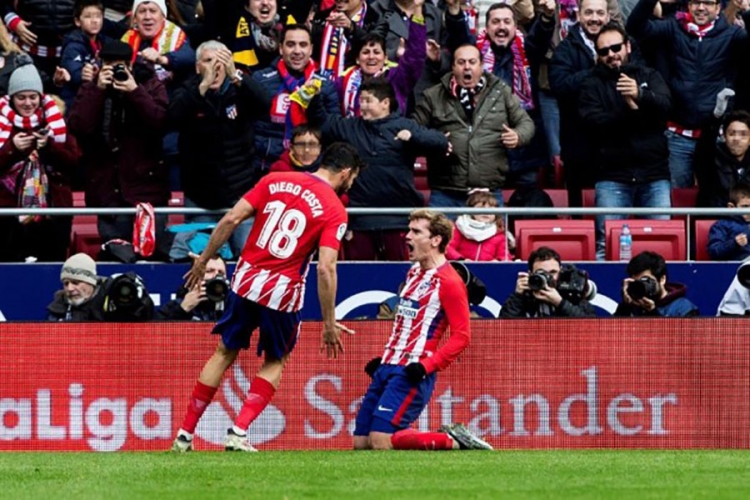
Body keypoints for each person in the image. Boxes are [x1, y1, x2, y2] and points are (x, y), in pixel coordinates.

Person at [171, 142, 365, 453]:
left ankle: (184, 434)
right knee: (276, 359)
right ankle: (238, 432)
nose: (351, 184)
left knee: (224, 351)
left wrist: (204, 258)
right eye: (352, 178)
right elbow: (326, 268)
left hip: (246, 279)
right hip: (283, 291)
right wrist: (330, 321)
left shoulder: (275, 180)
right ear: (345, 173)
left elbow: (231, 219)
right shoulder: (335, 209)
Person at [353, 208, 493, 451]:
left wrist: (426, 366)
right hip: (390, 365)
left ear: (436, 240)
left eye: (416, 232)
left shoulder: (450, 282)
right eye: (409, 230)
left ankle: (453, 441)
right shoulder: (414, 272)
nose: (407, 236)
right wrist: (386, 359)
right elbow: (407, 323)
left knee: (380, 441)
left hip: (413, 371)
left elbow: (462, 336)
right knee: (361, 442)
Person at [309, 76, 449, 261]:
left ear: (385, 103)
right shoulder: (351, 127)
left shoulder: (405, 126)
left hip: (399, 220)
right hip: (360, 220)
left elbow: (440, 142)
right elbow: (322, 123)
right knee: (360, 280)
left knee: (401, 277)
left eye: (368, 101)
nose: (363, 106)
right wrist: (315, 97)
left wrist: (414, 138)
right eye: (361, 101)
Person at [626, 0, 750, 188]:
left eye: (708, 3)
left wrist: (747, 11)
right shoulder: (672, 28)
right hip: (678, 136)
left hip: (715, 137)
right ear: (688, 6)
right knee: (678, 199)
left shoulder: (731, 34)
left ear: (718, 8)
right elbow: (635, 27)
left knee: (714, 198)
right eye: (695, 2)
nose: (701, 8)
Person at [68, 39, 171, 260]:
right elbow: (78, 127)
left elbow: (160, 122)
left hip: (146, 193)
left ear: (130, 65)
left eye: (120, 65)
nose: (115, 71)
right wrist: (98, 89)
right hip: (108, 194)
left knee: (152, 257)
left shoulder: (151, 85)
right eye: (109, 65)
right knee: (116, 261)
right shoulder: (91, 88)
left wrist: (135, 91)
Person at [168, 39, 271, 257]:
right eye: (207, 61)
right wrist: (202, 88)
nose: (213, 67)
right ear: (197, 67)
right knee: (199, 258)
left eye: (220, 61)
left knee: (247, 256)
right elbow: (172, 118)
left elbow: (265, 104)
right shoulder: (188, 90)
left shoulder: (240, 89)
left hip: (240, 195)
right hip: (201, 199)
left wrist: (236, 76)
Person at [577, 22, 672, 259]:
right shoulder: (591, 84)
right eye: (604, 51)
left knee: (661, 245)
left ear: (628, 46)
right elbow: (594, 125)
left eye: (616, 47)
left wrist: (640, 95)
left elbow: (666, 108)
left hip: (654, 175)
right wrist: (629, 109)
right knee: (605, 246)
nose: (611, 54)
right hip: (612, 176)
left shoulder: (649, 75)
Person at [412, 43, 535, 209]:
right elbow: (415, 131)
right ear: (453, 67)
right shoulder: (433, 96)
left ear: (481, 66)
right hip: (445, 192)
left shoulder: (501, 92)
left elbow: (526, 123)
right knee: (440, 236)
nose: (467, 67)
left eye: (472, 62)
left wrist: (518, 135)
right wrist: (435, 140)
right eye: (461, 62)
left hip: (488, 194)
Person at [0, 60, 81, 262]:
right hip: (8, 217)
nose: (28, 103)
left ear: (41, 96)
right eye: (21, 98)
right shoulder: (3, 123)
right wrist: (11, 149)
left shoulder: (56, 122)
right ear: (12, 99)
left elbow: (75, 164)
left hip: (53, 214)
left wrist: (50, 147)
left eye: (33, 97)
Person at [251, 24, 339, 173]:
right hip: (266, 165)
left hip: (310, 167)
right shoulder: (261, 80)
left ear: (311, 49)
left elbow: (332, 130)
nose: (297, 51)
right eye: (291, 45)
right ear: (280, 48)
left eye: (303, 45)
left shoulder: (325, 85)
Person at [549, 0, 611, 208]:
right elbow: (559, 86)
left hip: (614, 147)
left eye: (600, 13)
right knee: (580, 211)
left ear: (608, 16)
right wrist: (595, 71)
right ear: (580, 15)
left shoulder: (621, 45)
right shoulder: (566, 49)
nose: (595, 18)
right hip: (578, 146)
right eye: (589, 13)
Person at [500, 246, 596, 318]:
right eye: (541, 272)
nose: (548, 277)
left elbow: (590, 326)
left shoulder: (570, 293)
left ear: (560, 271)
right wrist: (517, 297)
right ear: (530, 273)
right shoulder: (524, 295)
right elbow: (502, 329)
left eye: (553, 272)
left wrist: (559, 302)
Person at [58, 0, 109, 111]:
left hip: (93, 100)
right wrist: (85, 74)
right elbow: (75, 76)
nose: (94, 21)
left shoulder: (103, 41)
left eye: (98, 16)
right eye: (88, 17)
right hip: (74, 103)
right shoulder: (73, 46)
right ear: (77, 21)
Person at [615, 251, 699, 317]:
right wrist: (625, 307)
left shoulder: (685, 309)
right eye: (637, 282)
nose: (642, 285)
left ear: (662, 279)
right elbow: (613, 336)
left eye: (646, 280)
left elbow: (679, 338)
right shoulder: (632, 307)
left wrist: (652, 312)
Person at [697, 110, 750, 208]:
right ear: (724, 137)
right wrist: (716, 117)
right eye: (732, 134)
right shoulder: (711, 159)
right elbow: (704, 145)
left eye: (743, 134)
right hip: (715, 220)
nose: (736, 139)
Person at [155, 255, 230, 321]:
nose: (216, 276)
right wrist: (183, 309)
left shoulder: (233, 305)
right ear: (193, 276)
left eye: (221, 273)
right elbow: (155, 333)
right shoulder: (176, 305)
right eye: (209, 271)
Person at [446, 189, 511, 261]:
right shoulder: (459, 227)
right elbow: (448, 248)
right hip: (462, 269)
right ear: (470, 210)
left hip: (489, 270)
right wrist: (461, 259)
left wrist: (497, 261)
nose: (486, 212)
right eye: (481, 208)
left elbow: (505, 255)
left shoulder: (499, 232)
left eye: (491, 209)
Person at [47, 253, 107, 321]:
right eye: (66, 283)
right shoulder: (58, 309)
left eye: (75, 283)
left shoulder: (107, 307)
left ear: (91, 283)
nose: (69, 288)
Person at [708, 183, 750, 261]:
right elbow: (714, 251)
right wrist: (734, 243)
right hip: (734, 269)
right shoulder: (721, 225)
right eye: (745, 206)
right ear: (731, 207)